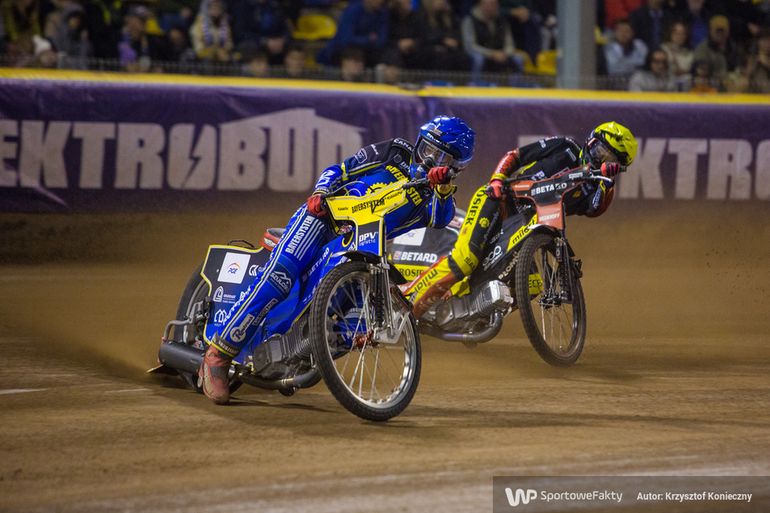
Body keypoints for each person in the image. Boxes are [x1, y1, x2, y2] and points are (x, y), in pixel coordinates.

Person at [199, 115, 476, 404]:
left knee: (353, 324)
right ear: (419, 142)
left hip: (363, 247)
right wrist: (321, 192)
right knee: (279, 278)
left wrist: (442, 187)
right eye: (429, 150)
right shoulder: (395, 152)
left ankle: (295, 356)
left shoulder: (438, 198)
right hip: (323, 219)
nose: (431, 160)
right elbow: (342, 169)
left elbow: (440, 218)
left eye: (443, 158)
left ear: (456, 168)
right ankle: (218, 355)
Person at [405, 121, 637, 319]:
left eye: (609, 159)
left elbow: (594, 210)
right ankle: (407, 305)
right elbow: (516, 156)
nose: (600, 159)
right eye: (599, 150)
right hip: (500, 200)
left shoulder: (599, 186)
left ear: (618, 167)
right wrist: (497, 179)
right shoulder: (566, 146)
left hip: (527, 224)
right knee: (465, 260)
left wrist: (607, 183)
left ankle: (470, 314)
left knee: (532, 285)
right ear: (590, 142)